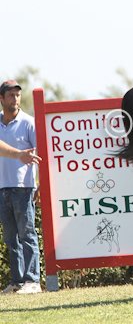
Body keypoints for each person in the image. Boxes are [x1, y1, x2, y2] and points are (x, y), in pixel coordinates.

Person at [0, 80, 42, 294]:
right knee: (10, 238)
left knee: (27, 234)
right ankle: (17, 281)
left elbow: (41, 155)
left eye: (17, 95)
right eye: (10, 95)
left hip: (23, 188)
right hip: (2, 188)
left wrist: (41, 185)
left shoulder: (29, 123)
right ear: (1, 99)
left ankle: (33, 280)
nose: (15, 99)